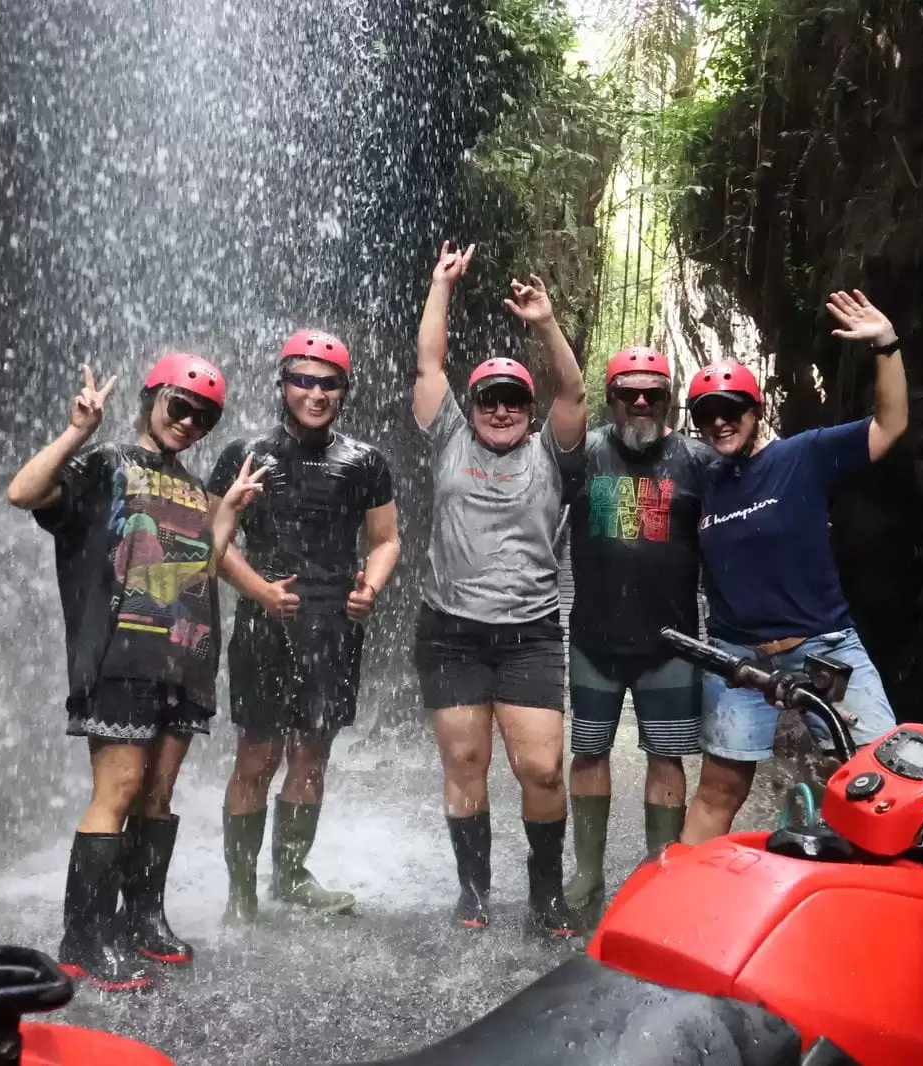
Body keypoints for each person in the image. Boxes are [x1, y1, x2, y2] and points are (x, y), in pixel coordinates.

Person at [6, 353, 266, 991]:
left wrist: (226, 513)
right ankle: (82, 937)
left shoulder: (193, 486)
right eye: (180, 406)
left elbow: (200, 570)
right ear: (152, 397)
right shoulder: (105, 465)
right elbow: (23, 492)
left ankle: (142, 918)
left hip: (186, 655)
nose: (190, 423)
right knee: (117, 792)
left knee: (158, 795)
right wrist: (78, 431)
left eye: (204, 418)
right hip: (120, 656)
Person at [681, 289, 908, 844]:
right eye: (706, 414)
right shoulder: (704, 481)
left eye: (731, 410)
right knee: (719, 789)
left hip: (825, 646)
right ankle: (686, 895)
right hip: (737, 655)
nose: (719, 423)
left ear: (755, 411)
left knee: (882, 782)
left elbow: (890, 425)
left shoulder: (803, 455)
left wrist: (887, 345)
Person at [413, 241, 586, 937]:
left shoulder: (551, 449)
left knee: (542, 768)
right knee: (465, 761)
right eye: (491, 397)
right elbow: (430, 363)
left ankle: (545, 896)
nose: (503, 408)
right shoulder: (450, 436)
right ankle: (474, 891)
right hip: (451, 630)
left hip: (530, 633)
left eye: (515, 398)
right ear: (474, 402)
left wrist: (544, 324)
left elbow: (574, 392)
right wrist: (441, 286)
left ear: (528, 405)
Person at [207, 329, 400, 925]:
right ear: (283, 383)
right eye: (303, 380)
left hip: (336, 625)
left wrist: (370, 587)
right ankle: (241, 891)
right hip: (266, 624)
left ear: (344, 390)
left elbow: (387, 539)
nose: (314, 392)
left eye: (328, 382)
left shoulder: (363, 461)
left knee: (312, 755)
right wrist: (260, 590)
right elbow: (211, 538)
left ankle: (290, 876)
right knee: (256, 755)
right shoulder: (246, 453)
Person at [560, 345, 714, 917]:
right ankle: (588, 873)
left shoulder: (697, 461)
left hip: (671, 644)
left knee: (667, 758)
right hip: (594, 639)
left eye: (653, 391)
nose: (641, 401)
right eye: (629, 392)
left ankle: (660, 873)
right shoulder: (584, 455)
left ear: (669, 397)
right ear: (611, 398)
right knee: (589, 751)